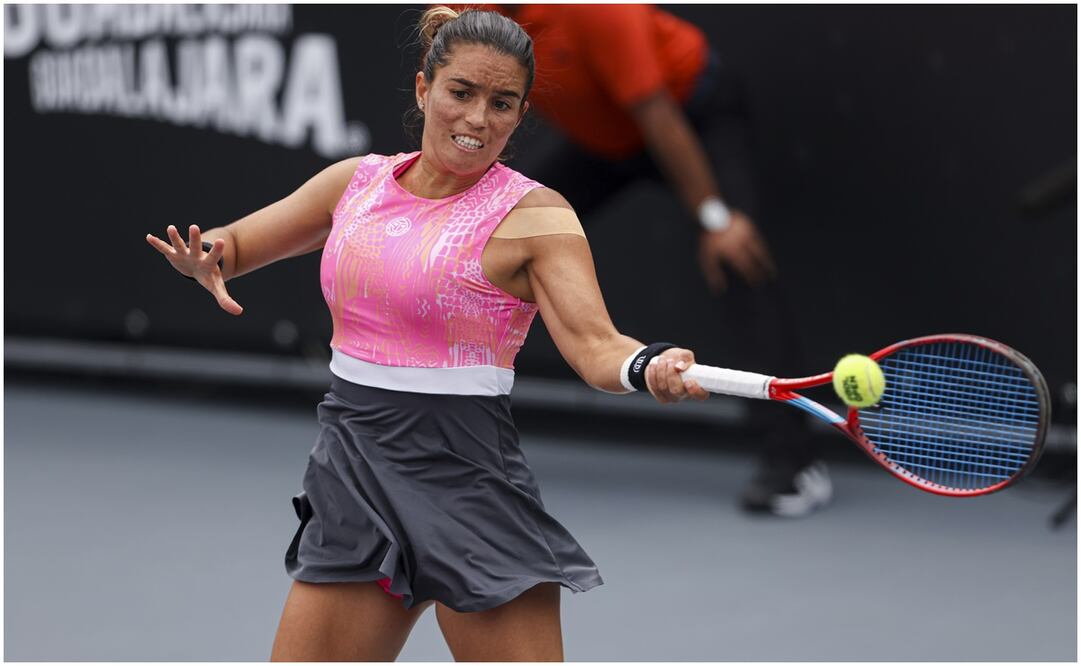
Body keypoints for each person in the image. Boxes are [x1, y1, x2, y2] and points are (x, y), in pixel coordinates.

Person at [146, 8, 707, 661]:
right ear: (423, 89)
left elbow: (594, 346)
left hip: (466, 485)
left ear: (520, 115)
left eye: (501, 104)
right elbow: (236, 243)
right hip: (354, 474)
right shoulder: (353, 183)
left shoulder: (536, 217)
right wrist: (206, 256)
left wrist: (645, 365)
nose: (476, 119)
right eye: (461, 93)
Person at [476, 4, 832, 517]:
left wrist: (714, 219)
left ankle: (795, 463)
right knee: (495, 232)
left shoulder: (597, 13)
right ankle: (455, 424)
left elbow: (657, 115)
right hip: (606, 137)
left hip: (689, 113)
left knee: (735, 254)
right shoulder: (466, 15)